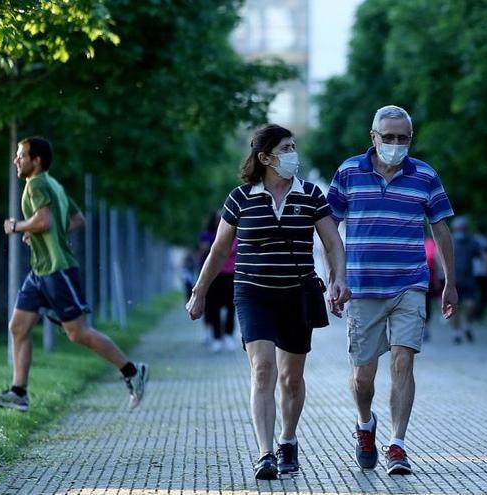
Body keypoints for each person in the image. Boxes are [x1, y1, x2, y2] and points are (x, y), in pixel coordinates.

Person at [186, 124, 350, 480]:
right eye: (286, 148)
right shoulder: (240, 198)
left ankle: (287, 439)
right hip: (253, 293)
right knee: (263, 370)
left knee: (291, 378)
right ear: (265, 158)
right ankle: (265, 453)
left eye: (293, 147)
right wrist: (199, 291)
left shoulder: (311, 195)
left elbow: (332, 243)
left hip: (297, 294)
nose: (294, 154)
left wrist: (339, 278)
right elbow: (219, 249)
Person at [326, 105, 457, 476]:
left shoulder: (425, 175)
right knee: (363, 376)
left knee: (403, 360)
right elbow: (329, 227)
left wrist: (449, 281)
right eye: (389, 137)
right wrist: (336, 276)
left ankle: (397, 444)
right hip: (362, 287)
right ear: (374, 137)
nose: (396, 144)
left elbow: (441, 229)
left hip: (409, 284)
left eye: (403, 138)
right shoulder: (349, 172)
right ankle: (365, 423)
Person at [0, 137, 148, 413]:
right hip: (40, 270)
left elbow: (44, 220)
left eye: (21, 156)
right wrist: (41, 232)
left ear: (36, 161)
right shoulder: (54, 185)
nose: (16, 161)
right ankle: (18, 392)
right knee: (18, 327)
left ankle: (132, 371)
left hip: (57, 269)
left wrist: (18, 226)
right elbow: (77, 219)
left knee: (78, 333)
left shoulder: (37, 184)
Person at [199, 210, 237, 352]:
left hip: (231, 275)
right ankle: (216, 337)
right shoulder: (208, 235)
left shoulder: (235, 235)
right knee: (213, 307)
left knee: (231, 306)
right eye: (218, 219)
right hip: (214, 275)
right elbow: (203, 251)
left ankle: (228, 334)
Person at [450, 216, 481, 344]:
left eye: (463, 227)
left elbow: (479, 257)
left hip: (468, 280)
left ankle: (467, 325)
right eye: (459, 227)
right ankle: (457, 333)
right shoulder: (450, 241)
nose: (461, 230)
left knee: (470, 305)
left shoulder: (473, 242)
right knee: (454, 308)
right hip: (453, 280)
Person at [471, 228, 487, 321]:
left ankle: (475, 313)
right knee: (483, 294)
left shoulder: (472, 240)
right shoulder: (484, 241)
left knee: (477, 294)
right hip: (481, 272)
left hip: (474, 272)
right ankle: (478, 313)